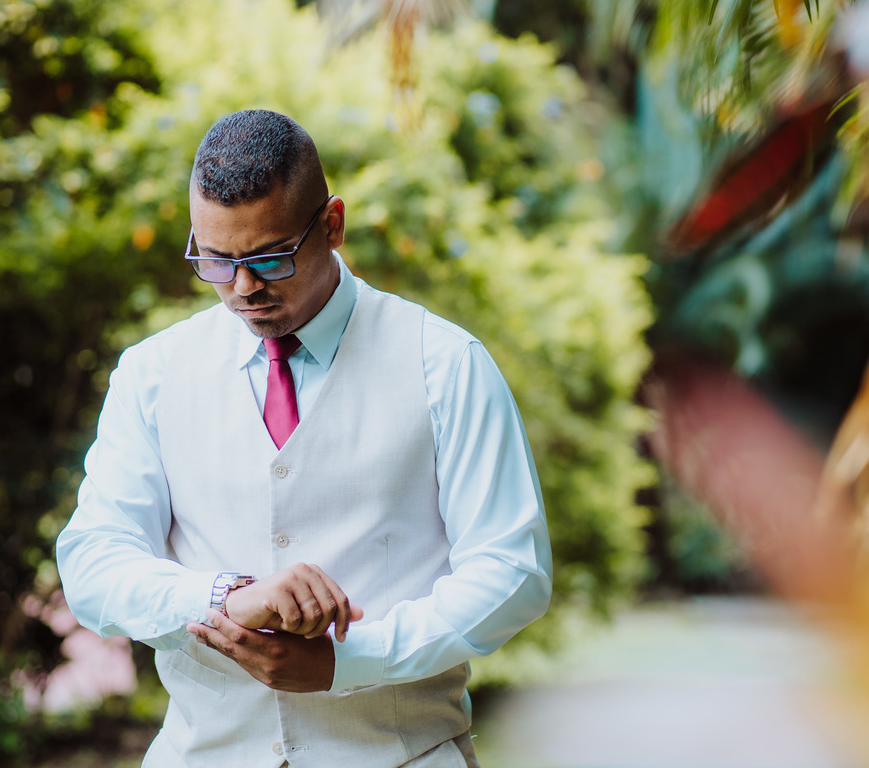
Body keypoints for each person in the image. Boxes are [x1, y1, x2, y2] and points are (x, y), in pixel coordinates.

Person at [56, 109, 553, 767]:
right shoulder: (153, 373)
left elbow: (511, 572)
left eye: (269, 257)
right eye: (216, 260)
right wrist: (222, 601)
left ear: (333, 224)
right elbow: (94, 563)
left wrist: (348, 661)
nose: (243, 287)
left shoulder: (445, 364)